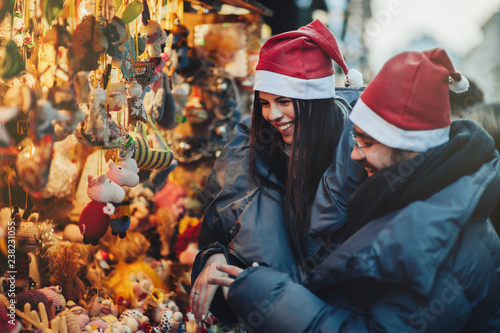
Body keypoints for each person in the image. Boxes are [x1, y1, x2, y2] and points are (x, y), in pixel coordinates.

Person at [209, 48, 500, 332]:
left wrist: (267, 294)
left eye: (368, 143)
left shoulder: (439, 241)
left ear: (410, 151)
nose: (355, 155)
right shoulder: (407, 200)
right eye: (356, 141)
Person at [189, 19, 363, 326]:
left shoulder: (358, 155)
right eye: (265, 103)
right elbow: (226, 234)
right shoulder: (250, 152)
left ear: (315, 103)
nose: (273, 115)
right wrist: (217, 257)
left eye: (284, 101)